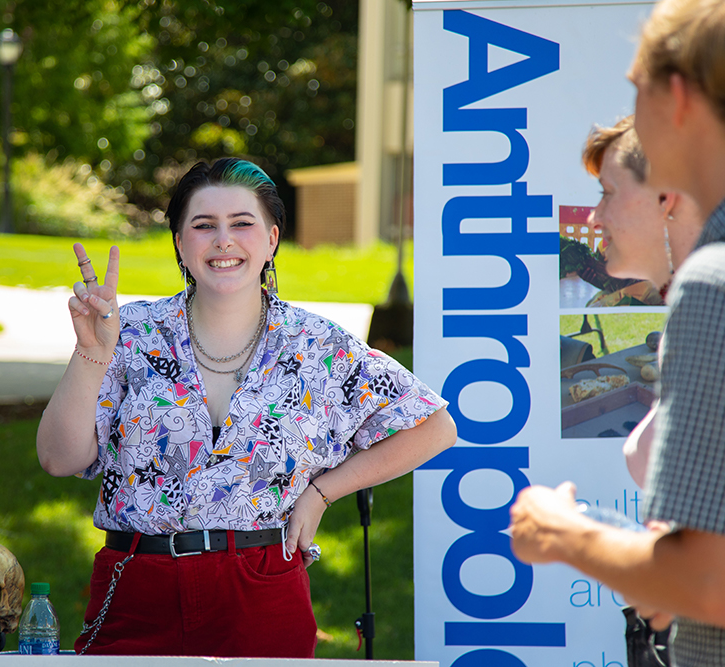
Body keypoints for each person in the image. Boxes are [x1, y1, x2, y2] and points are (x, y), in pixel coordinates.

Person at [37, 157, 457, 658]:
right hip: (136, 587)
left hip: (262, 587)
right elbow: (58, 460)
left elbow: (434, 427)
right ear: (179, 242)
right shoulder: (126, 331)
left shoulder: (317, 345)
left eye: (242, 223)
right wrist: (90, 352)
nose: (223, 240)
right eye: (203, 225)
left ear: (272, 239)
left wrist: (322, 493)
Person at [510, 0, 725, 665]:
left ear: (681, 100)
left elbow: (715, 586)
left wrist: (563, 531)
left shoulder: (724, 281)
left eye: (638, 89)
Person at [581, 115, 703, 486]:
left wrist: (577, 538)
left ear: (666, 198)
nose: (594, 217)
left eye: (607, 192)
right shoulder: (693, 310)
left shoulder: (724, 310)